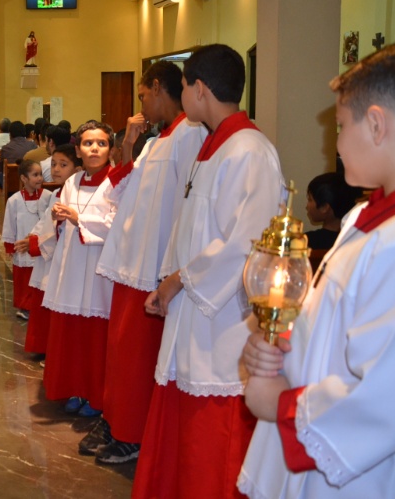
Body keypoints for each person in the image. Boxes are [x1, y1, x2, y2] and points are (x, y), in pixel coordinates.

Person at [238, 41, 395, 498]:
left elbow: (388, 398)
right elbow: (344, 326)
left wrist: (281, 405)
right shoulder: (367, 216)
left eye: (341, 126)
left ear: (376, 124)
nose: (336, 141)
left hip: (361, 475)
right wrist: (283, 346)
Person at [132, 44, 283, 499]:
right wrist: (169, 279)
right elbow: (192, 229)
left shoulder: (250, 151)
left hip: (222, 323)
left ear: (199, 89)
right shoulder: (214, 147)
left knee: (212, 448)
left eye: (183, 87)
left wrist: (180, 280)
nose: (182, 95)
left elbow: (246, 243)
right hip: (193, 313)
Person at [83, 61, 207, 465]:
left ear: (157, 87)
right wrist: (130, 144)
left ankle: (131, 433)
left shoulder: (189, 134)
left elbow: (184, 206)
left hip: (154, 263)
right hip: (131, 258)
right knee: (121, 351)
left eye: (142, 95)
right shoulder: (158, 140)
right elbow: (121, 188)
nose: (141, 105)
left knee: (137, 356)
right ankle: (117, 418)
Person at [42, 121, 117, 418]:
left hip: (100, 269)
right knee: (74, 334)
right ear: (78, 149)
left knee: (97, 337)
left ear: (110, 148)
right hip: (73, 267)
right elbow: (62, 217)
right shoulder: (71, 183)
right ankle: (75, 388)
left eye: (101, 143)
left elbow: (118, 225)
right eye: (88, 143)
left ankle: (96, 395)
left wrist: (78, 219)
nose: (95, 148)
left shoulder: (118, 182)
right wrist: (59, 217)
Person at [22, 143, 80, 355]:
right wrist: (33, 236)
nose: (55, 169)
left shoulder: (74, 195)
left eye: (63, 165)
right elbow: (48, 221)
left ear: (77, 169)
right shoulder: (57, 192)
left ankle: (52, 350)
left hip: (59, 256)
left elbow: (57, 226)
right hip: (49, 252)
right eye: (54, 164)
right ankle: (43, 346)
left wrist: (37, 240)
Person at [2, 159, 52, 320]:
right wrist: (10, 245)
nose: (40, 178)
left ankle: (39, 305)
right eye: (35, 175)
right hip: (22, 247)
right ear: (24, 179)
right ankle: (25, 307)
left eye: (40, 175)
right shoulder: (15, 200)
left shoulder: (48, 197)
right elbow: (9, 223)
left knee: (40, 275)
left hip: (41, 245)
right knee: (24, 278)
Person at [304, 171, 362, 251]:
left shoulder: (306, 242)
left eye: (310, 200)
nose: (307, 206)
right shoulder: (356, 240)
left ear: (324, 207)